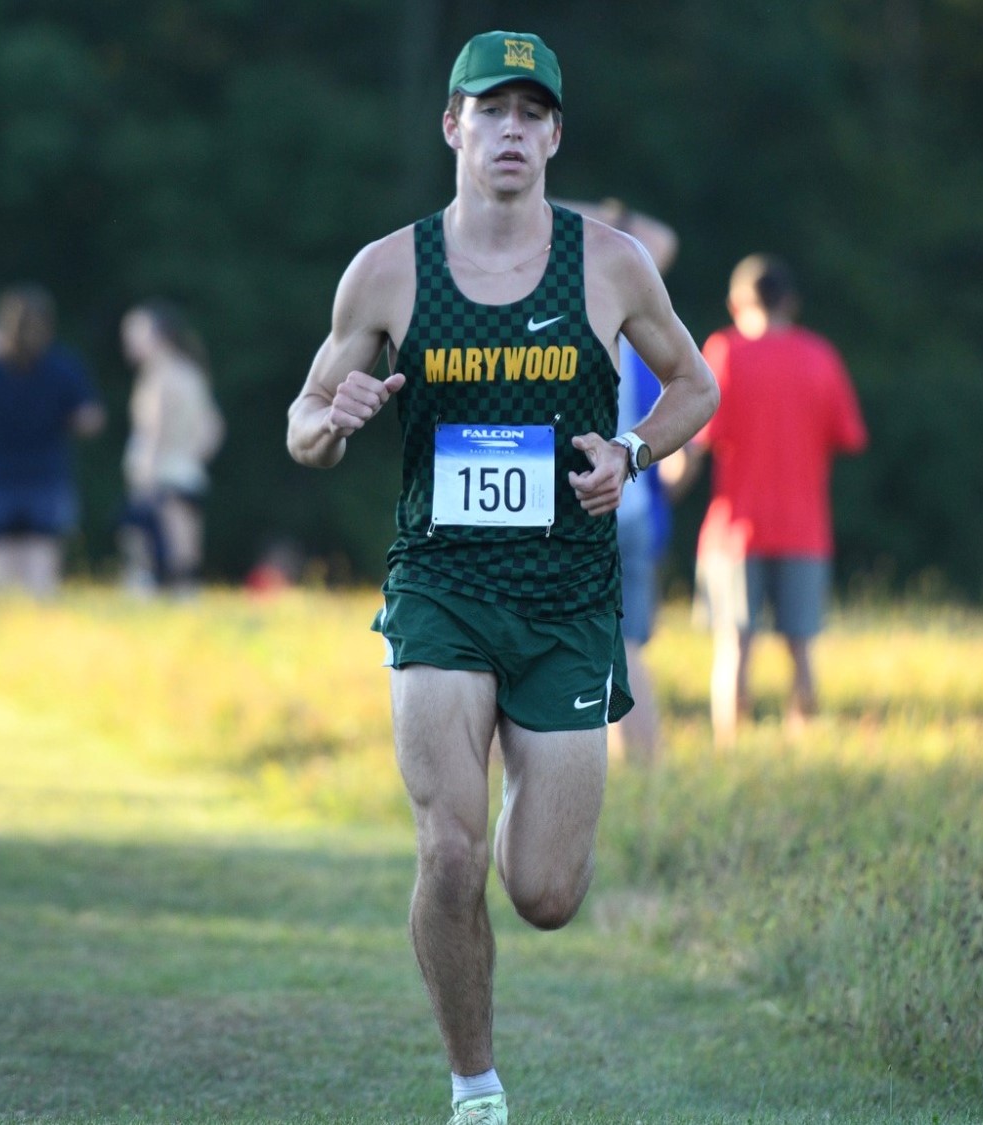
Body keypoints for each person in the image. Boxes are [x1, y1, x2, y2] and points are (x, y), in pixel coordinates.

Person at [283, 31, 718, 1125]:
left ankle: (532, 781)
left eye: (531, 113)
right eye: (491, 111)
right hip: (438, 587)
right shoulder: (387, 269)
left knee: (542, 892)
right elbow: (300, 424)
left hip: (569, 601)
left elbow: (692, 385)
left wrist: (632, 453)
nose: (510, 131)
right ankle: (473, 1088)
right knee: (447, 847)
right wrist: (329, 421)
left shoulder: (609, 261)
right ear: (452, 127)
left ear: (555, 135)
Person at [685, 253, 866, 745]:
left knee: (734, 646)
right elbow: (847, 436)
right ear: (792, 302)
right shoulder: (820, 356)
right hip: (805, 527)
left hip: (733, 529)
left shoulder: (723, 350)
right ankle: (801, 740)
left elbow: (696, 438)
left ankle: (730, 746)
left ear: (736, 302)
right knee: (802, 648)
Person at [561, 201, 679, 766]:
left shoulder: (582, 306)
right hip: (630, 505)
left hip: (590, 506)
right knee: (627, 647)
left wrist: (592, 213)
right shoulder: (637, 311)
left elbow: (660, 238)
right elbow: (661, 239)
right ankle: (648, 769)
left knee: (532, 650)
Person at [0, 286, 103, 597]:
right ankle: (35, 633)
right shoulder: (62, 367)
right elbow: (89, 419)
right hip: (44, 476)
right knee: (40, 565)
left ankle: (4, 630)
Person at [118, 300, 224, 593]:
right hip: (187, 473)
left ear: (158, 335)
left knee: (148, 553)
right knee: (185, 553)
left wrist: (145, 474)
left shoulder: (159, 377)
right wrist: (191, 459)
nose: (128, 340)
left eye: (136, 333)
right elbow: (212, 428)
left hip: (159, 475)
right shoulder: (191, 372)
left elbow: (154, 429)